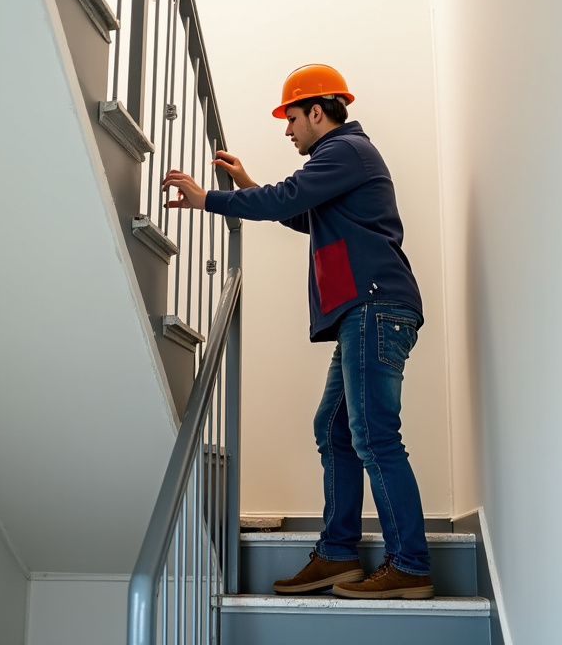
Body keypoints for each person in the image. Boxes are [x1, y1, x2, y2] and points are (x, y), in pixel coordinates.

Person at [161, 64, 433, 600]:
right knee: (334, 429)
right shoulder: (340, 164)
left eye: (290, 119)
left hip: (375, 308)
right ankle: (337, 555)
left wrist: (208, 200)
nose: (287, 132)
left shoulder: (345, 152)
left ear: (316, 110)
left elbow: (288, 199)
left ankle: (410, 562)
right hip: (367, 311)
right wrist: (247, 187)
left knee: (374, 435)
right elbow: (304, 215)